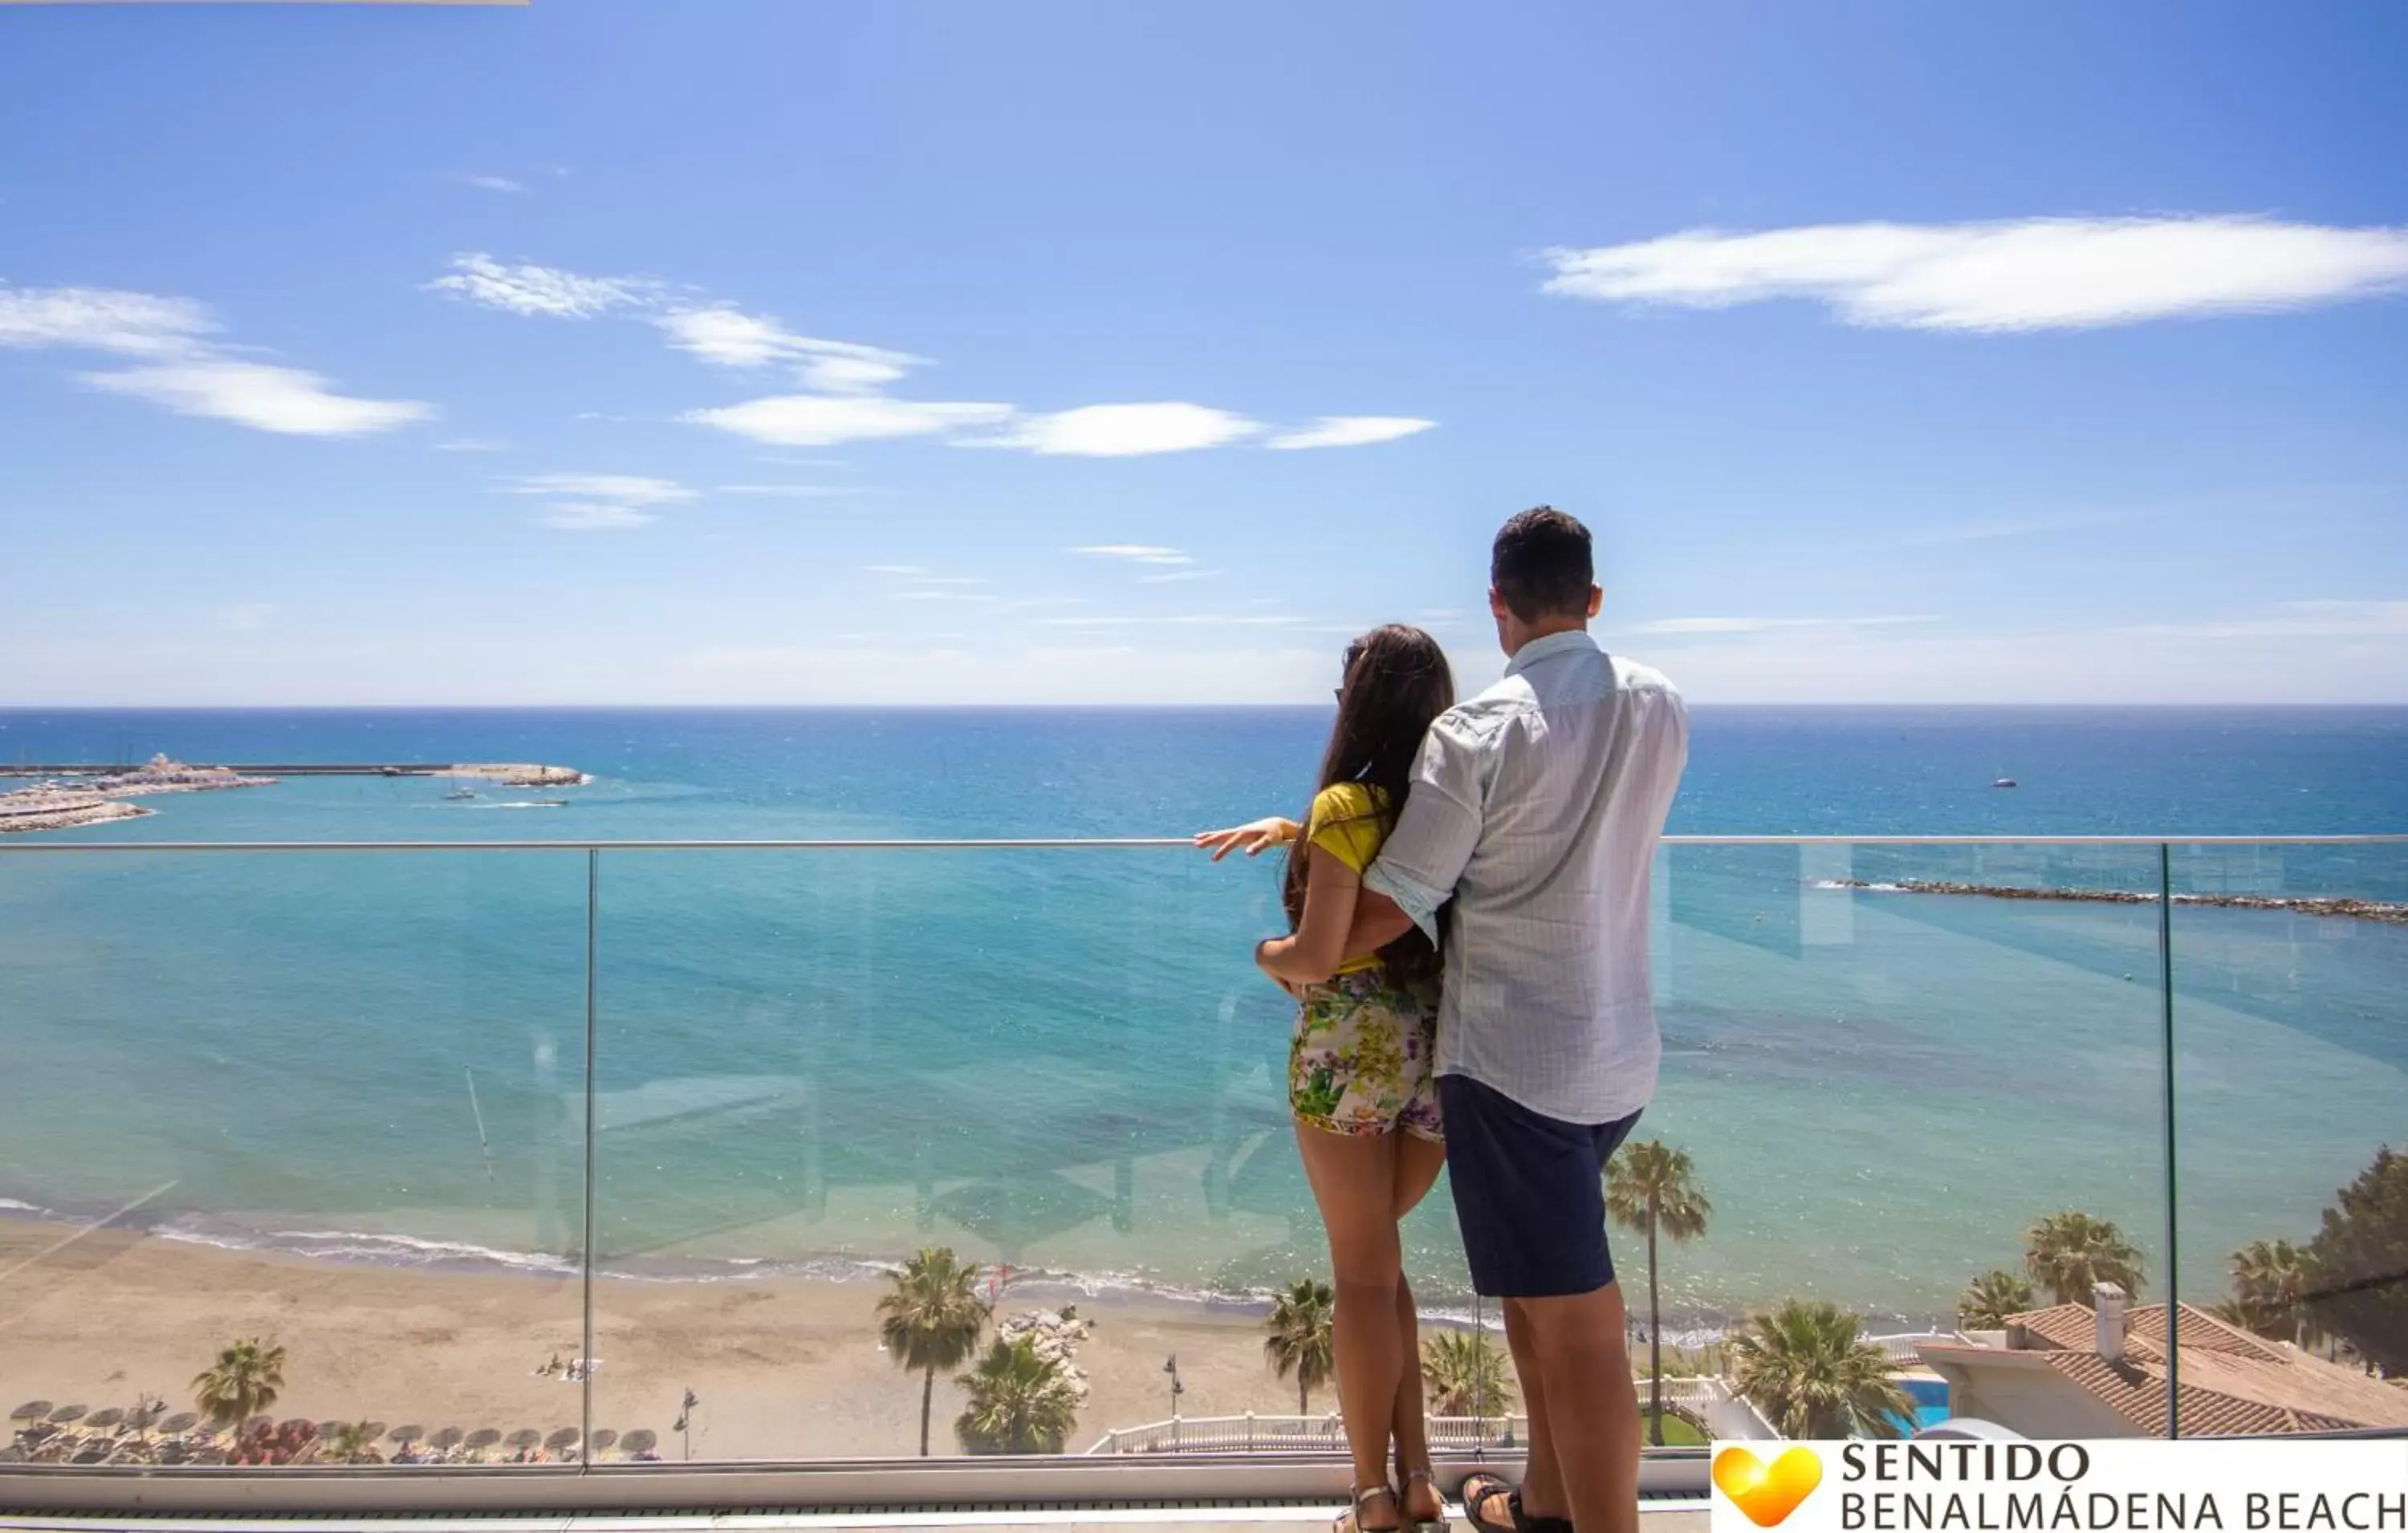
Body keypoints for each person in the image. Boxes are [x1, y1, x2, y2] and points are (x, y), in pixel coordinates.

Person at [1352, 506, 1688, 1533]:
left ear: (1496, 606)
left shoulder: (1477, 732)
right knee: (1541, 1303)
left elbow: (1399, 894)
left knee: (1579, 1325)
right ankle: (1541, 1503)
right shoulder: (1662, 704)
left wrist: (1300, 944)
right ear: (1592, 598)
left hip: (1511, 1065)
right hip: (1618, 1054)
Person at [1195, 624, 1458, 1533]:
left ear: (1358, 699)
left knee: (1359, 1278)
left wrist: (1266, 953)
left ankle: (1371, 1496)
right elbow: (1393, 885)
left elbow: (1312, 956)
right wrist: (1295, 827)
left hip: (1348, 1062)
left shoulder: (1348, 802)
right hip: (1435, 1056)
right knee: (1384, 1272)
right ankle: (1419, 1476)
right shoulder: (1447, 796)